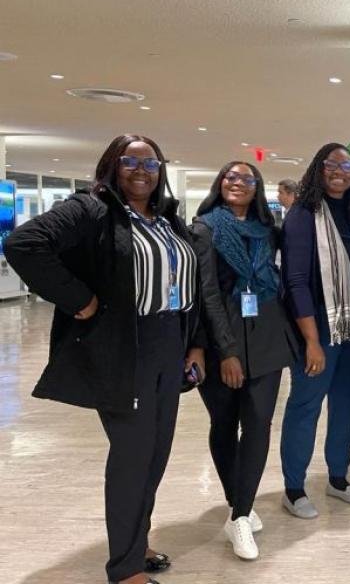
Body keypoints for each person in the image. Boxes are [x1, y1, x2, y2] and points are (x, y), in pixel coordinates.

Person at [5, 134, 203, 584]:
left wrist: (195, 344)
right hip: (124, 346)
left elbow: (191, 284)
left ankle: (136, 541)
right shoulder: (91, 209)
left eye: (150, 163)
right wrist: (80, 300)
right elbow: (23, 243)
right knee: (133, 455)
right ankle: (125, 568)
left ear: (161, 171)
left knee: (156, 453)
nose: (141, 170)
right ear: (112, 166)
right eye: (130, 161)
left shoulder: (168, 218)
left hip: (169, 342)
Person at [192, 161, 298, 559]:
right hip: (224, 339)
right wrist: (227, 352)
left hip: (268, 334)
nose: (237, 183)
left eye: (246, 179)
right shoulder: (204, 229)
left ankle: (239, 515)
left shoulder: (268, 232)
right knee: (224, 423)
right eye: (230, 177)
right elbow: (207, 294)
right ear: (220, 183)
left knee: (258, 425)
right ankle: (239, 502)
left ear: (257, 189)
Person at [280, 143, 350, 518]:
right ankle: (294, 488)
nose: (339, 171)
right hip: (317, 325)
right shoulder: (302, 215)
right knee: (305, 406)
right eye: (332, 164)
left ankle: (337, 478)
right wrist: (312, 340)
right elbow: (296, 280)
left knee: (346, 407)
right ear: (318, 169)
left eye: (347, 165)